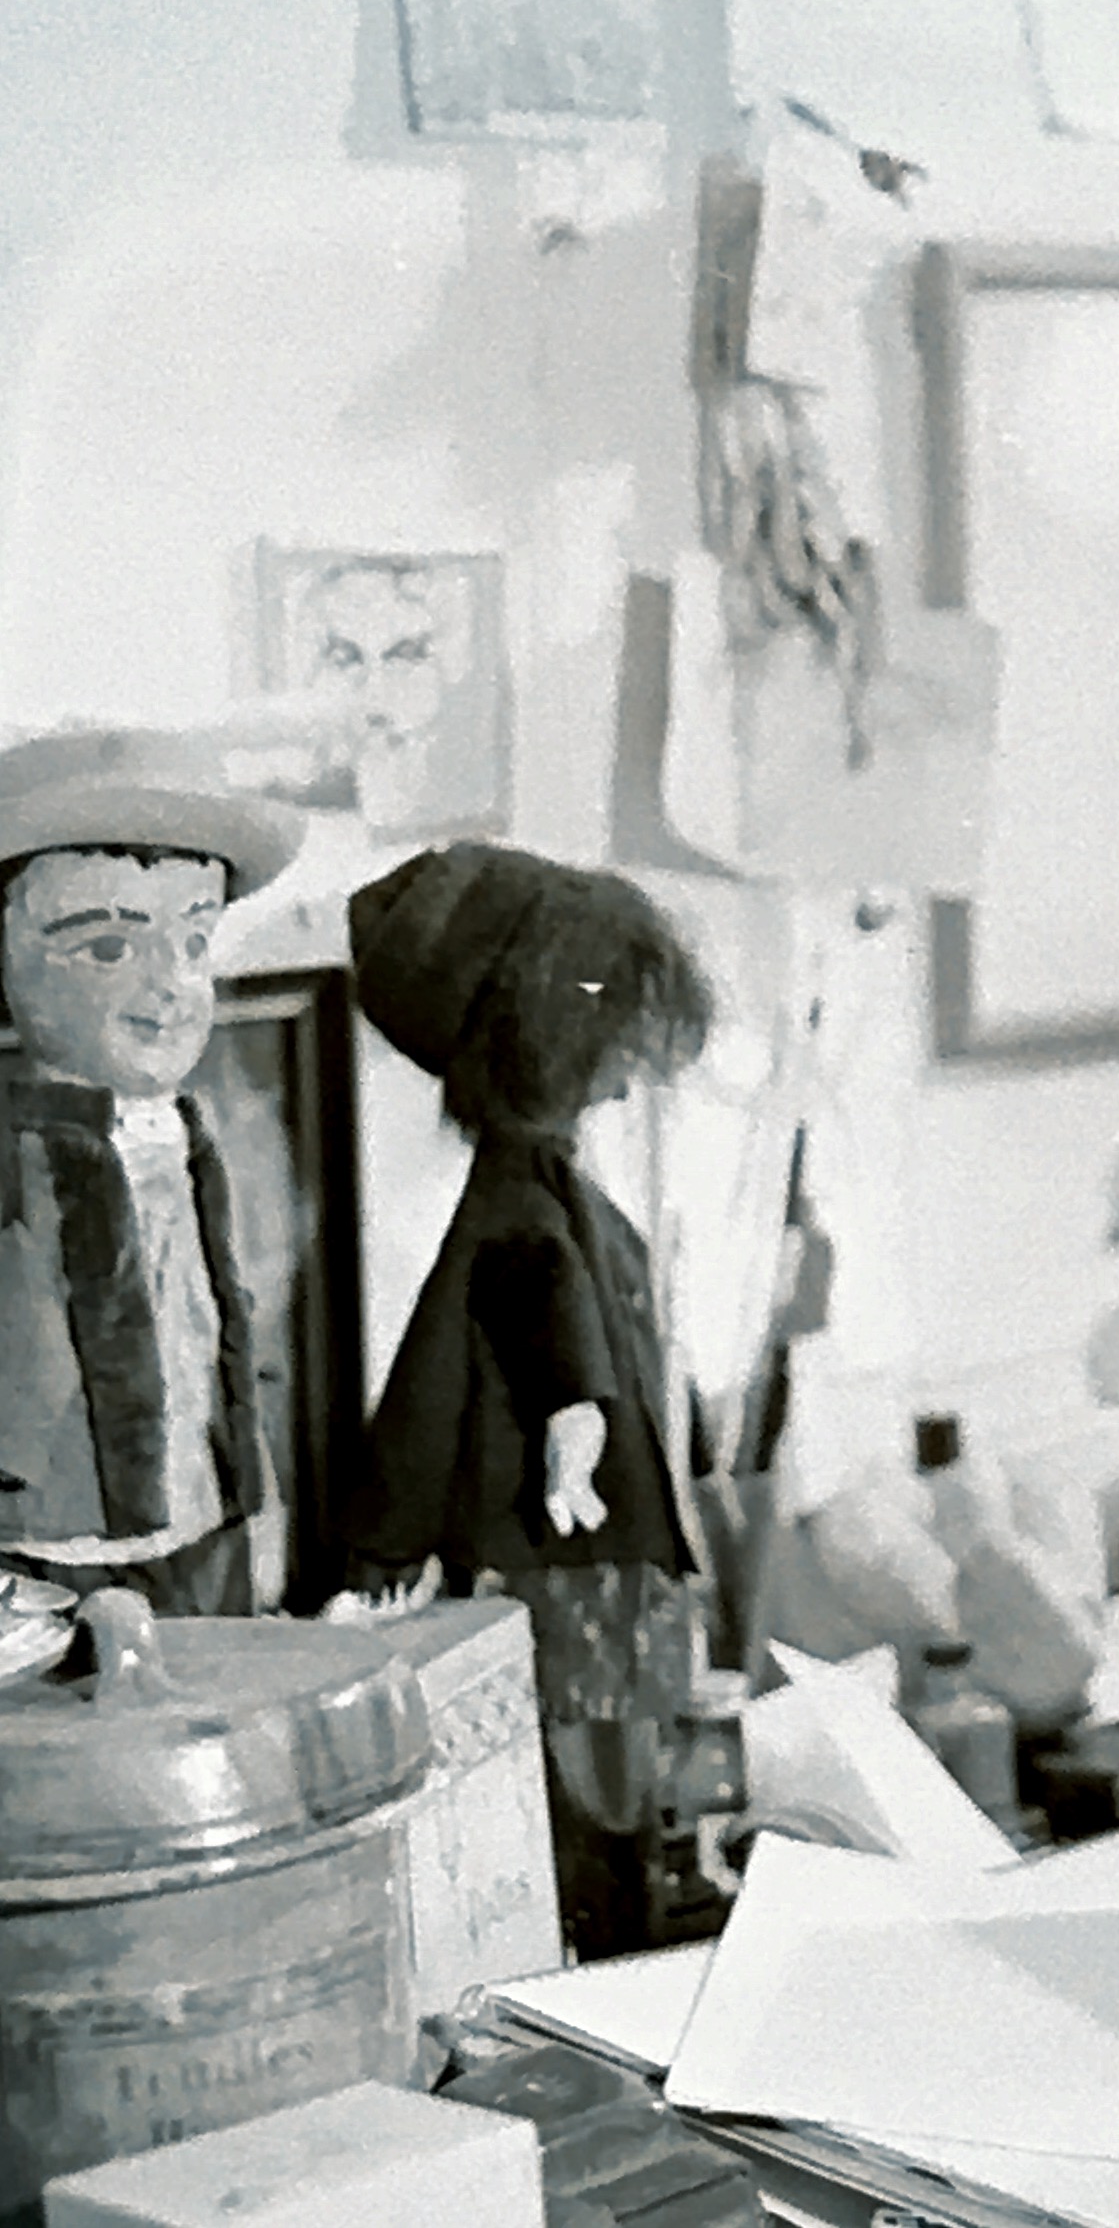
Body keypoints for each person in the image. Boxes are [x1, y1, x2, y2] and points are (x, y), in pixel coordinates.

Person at [343, 840, 712, 1959]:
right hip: (566, 1562)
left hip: (584, 1563)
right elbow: (538, 1299)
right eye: (610, 1034)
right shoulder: (521, 1195)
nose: (629, 1070)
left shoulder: (543, 1182)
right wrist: (575, 1416)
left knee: (602, 1786)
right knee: (583, 1796)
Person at [0, 726, 303, 1617]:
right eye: (108, 949)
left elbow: (221, 1324)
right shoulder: (14, 1152)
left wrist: (256, 1492)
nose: (172, 984)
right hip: (49, 1547)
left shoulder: (190, 1134)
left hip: (201, 1521)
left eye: (195, 943)